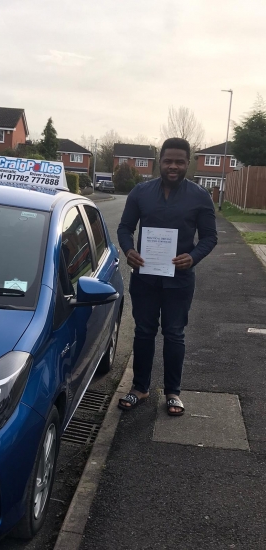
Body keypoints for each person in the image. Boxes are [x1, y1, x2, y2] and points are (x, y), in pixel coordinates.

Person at [117, 137, 217, 416]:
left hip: (179, 280)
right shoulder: (140, 192)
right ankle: (140, 388)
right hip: (145, 278)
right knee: (144, 332)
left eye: (179, 161)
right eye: (168, 161)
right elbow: (124, 228)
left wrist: (193, 257)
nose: (173, 166)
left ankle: (173, 392)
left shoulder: (200, 196)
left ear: (188, 164)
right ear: (159, 162)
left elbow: (210, 237)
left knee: (174, 334)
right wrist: (129, 249)